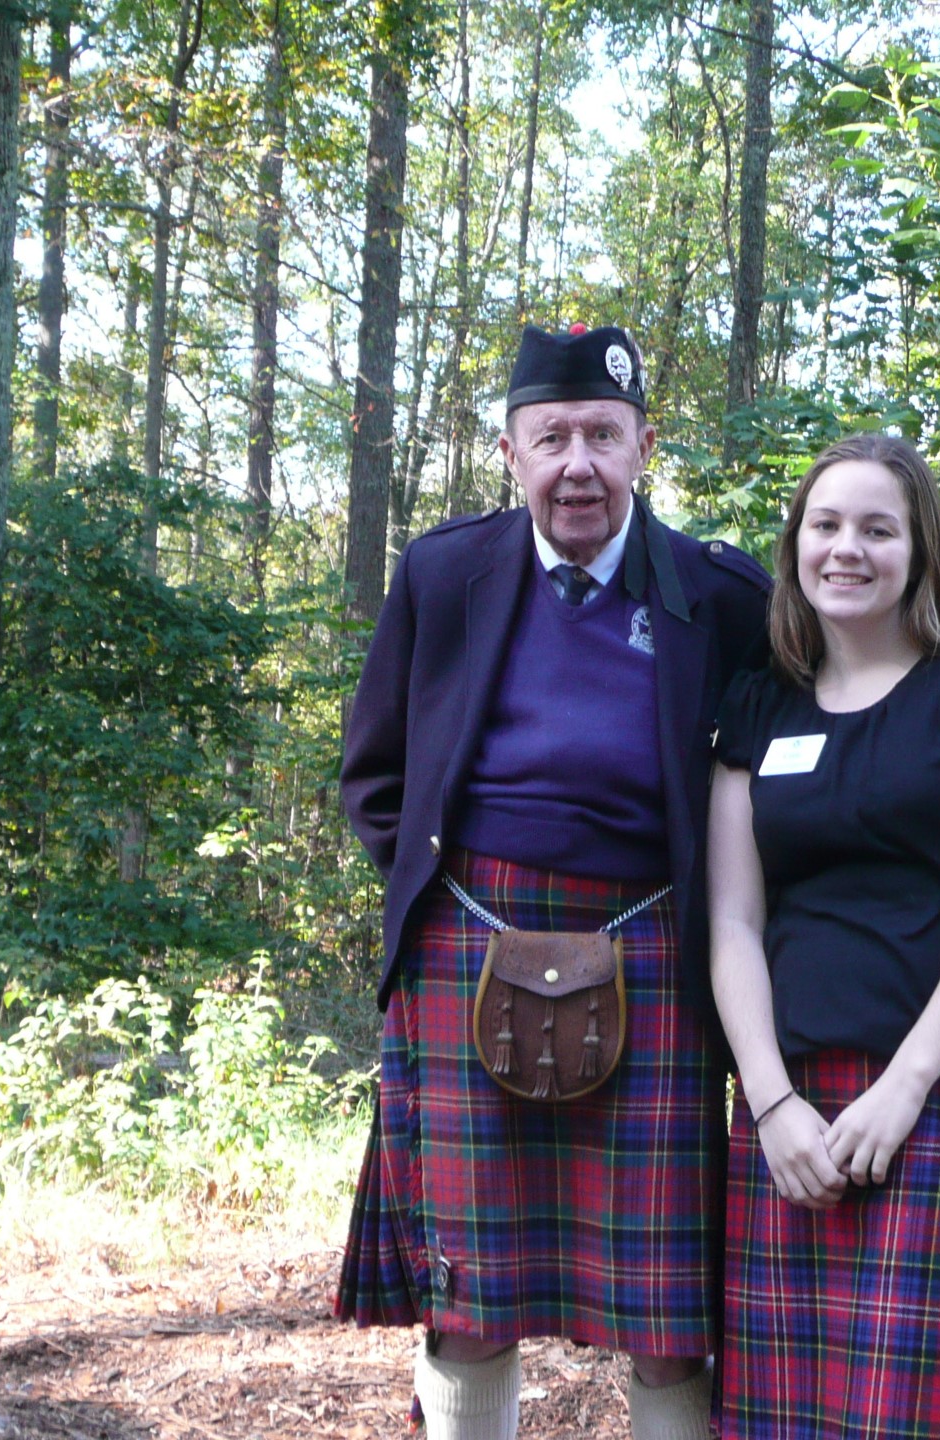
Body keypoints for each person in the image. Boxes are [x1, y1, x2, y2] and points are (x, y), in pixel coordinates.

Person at [335, 322, 771, 1440]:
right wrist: (443, 907)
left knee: (672, 1310)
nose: (578, 464)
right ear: (511, 451)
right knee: (470, 1292)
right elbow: (375, 770)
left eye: (602, 437)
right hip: (463, 946)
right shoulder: (445, 574)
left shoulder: (720, 595)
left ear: (644, 447)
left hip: (656, 950)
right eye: (553, 437)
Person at [706, 433, 940, 1439]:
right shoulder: (758, 709)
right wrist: (769, 1100)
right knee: (791, 1413)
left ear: (921, 551)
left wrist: (907, 1082)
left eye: (879, 528)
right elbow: (734, 920)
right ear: (794, 547)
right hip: (799, 1111)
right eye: (825, 525)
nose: (847, 549)